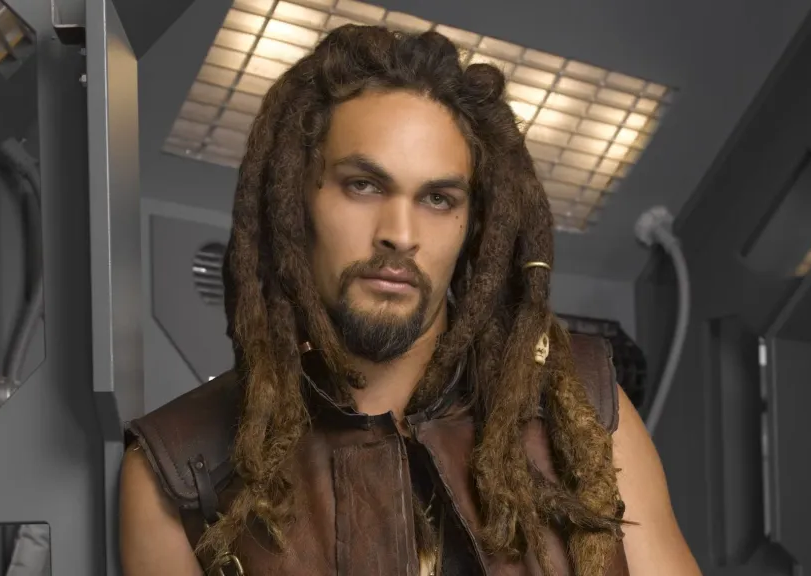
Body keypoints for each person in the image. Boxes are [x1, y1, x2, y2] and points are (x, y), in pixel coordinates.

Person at [119, 24, 700, 576]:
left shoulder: (583, 402)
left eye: (438, 198)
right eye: (363, 185)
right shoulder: (180, 467)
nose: (400, 233)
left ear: (473, 225)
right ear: (296, 203)